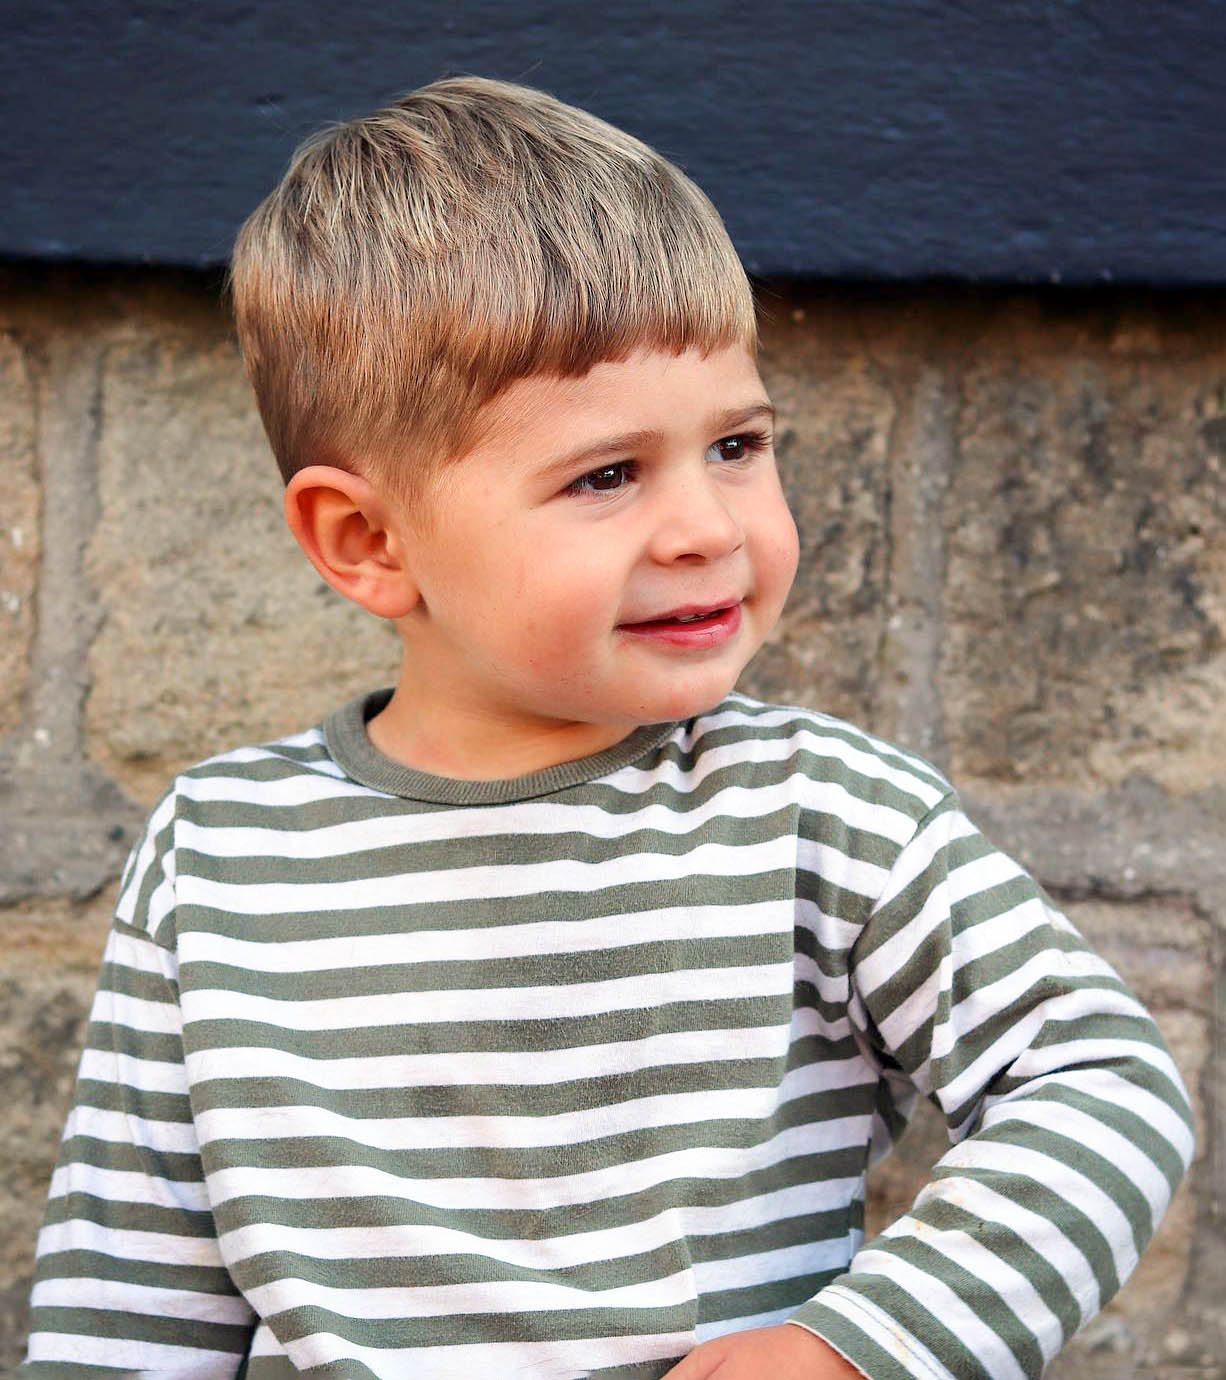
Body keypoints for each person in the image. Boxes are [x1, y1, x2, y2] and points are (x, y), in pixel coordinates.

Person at [21, 76, 1193, 1380]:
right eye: (606, 474)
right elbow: (125, 1307)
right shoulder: (222, 854)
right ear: (366, 541)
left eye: (737, 445)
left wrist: (848, 1348)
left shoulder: (817, 814)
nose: (703, 526)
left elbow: (1098, 1084)